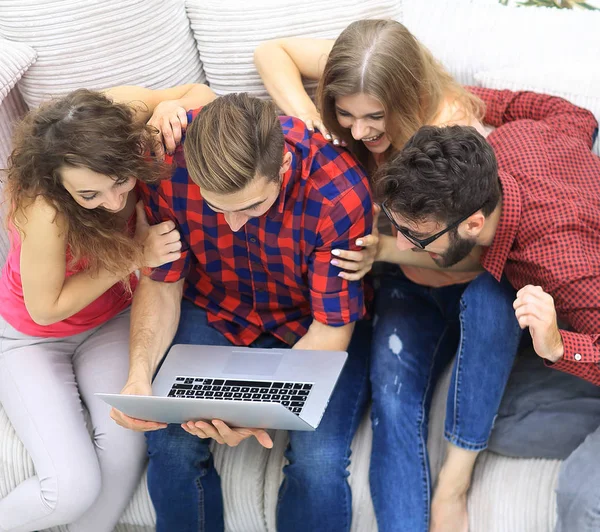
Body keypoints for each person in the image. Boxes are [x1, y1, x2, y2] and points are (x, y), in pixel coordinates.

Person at [255, 19, 519, 532]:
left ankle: (452, 491)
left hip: (462, 272)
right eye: (347, 115)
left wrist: (382, 251)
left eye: (374, 117)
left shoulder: (448, 137)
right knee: (393, 404)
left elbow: (473, 256)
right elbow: (272, 51)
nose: (358, 132)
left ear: (408, 97)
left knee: (481, 313)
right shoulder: (365, 69)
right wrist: (313, 120)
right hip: (402, 283)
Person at [110, 89, 374, 532]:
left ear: (283, 167)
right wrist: (139, 374)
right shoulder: (167, 165)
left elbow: (331, 330)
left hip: (311, 324)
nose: (234, 222)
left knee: (319, 462)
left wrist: (244, 409)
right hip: (215, 307)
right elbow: (162, 283)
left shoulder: (339, 192)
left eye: (252, 205)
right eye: (216, 206)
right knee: (170, 444)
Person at [374, 87, 600, 531]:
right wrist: (470, 97)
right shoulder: (507, 145)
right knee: (498, 419)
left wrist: (558, 346)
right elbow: (575, 115)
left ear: (474, 224)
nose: (401, 245)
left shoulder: (560, 264)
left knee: (574, 486)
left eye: (417, 237)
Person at [0, 83, 212, 532]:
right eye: (90, 195)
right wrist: (135, 254)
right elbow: (46, 309)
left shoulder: (119, 121)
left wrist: (171, 110)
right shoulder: (45, 209)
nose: (115, 202)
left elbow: (203, 95)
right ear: (58, 185)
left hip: (111, 320)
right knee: (71, 489)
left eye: (121, 182)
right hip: (31, 339)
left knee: (126, 450)